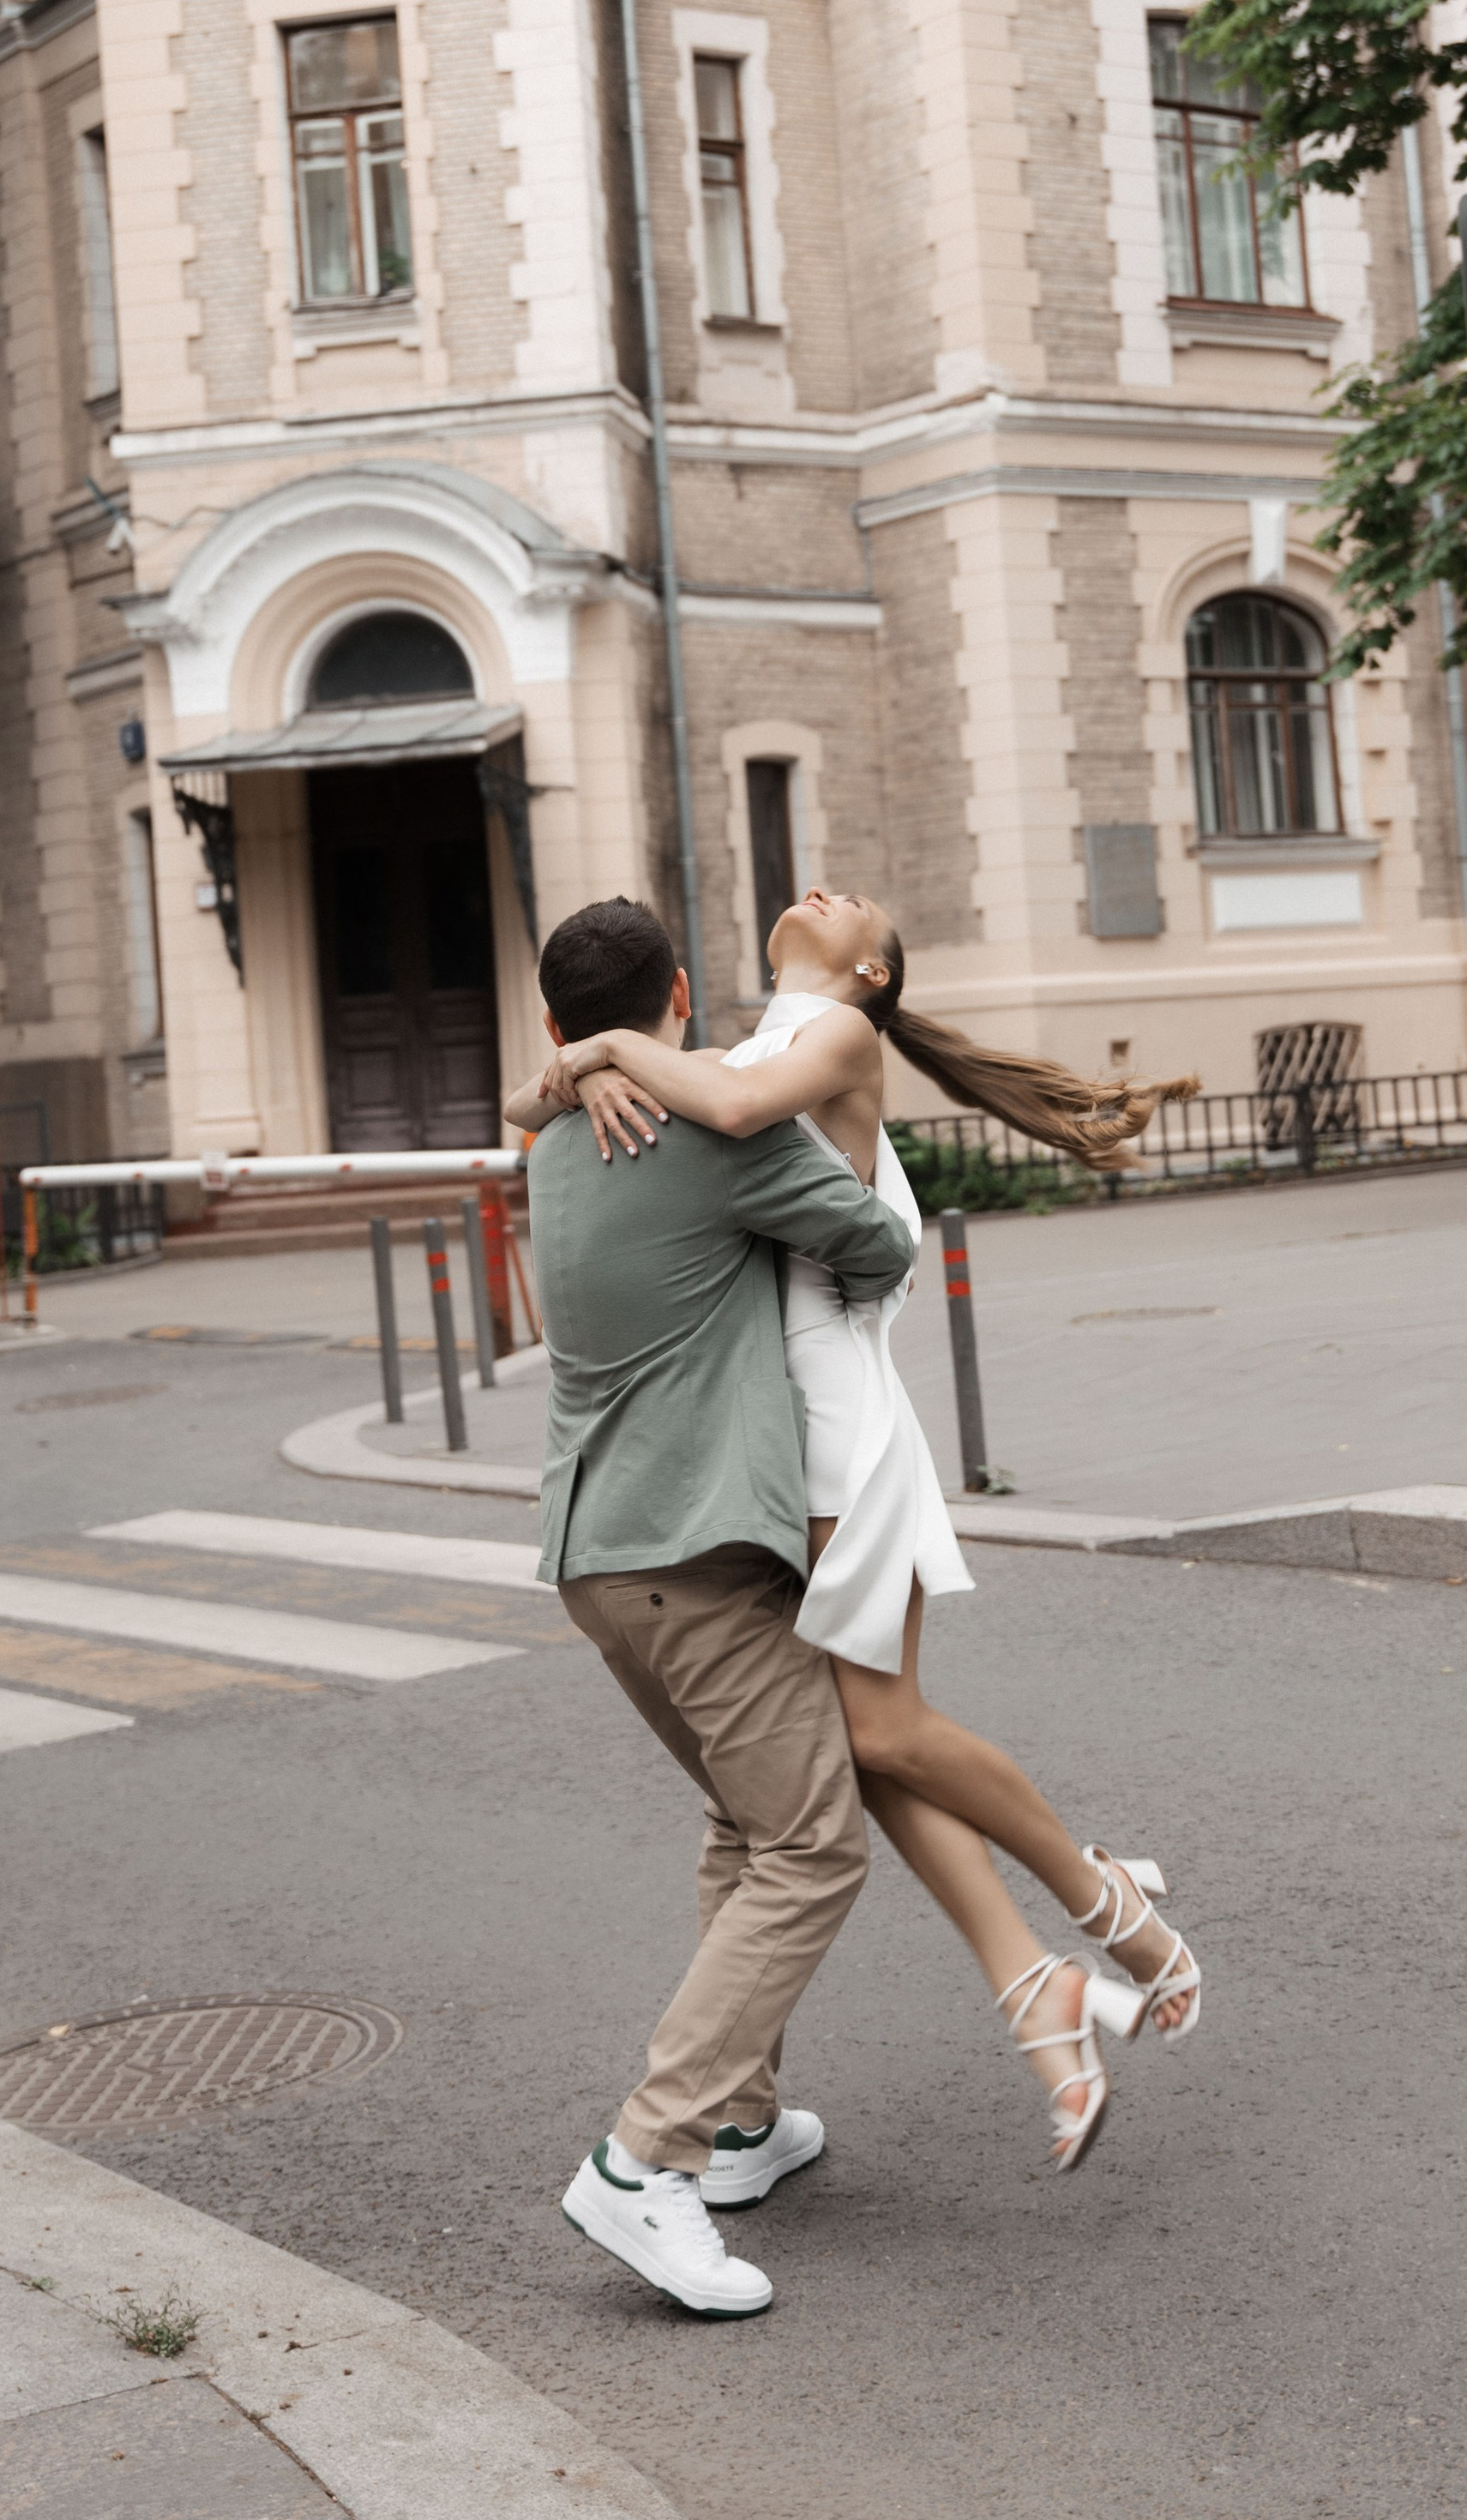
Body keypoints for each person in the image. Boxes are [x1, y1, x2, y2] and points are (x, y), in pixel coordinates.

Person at [510, 885, 1204, 2179]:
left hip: (837, 1423)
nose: (825, 890)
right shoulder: (712, 1057)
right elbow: (574, 1100)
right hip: (785, 1432)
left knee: (877, 1735)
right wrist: (594, 1058)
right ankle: (1027, 1991)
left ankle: (1106, 1907)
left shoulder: (826, 1036)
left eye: (857, 906)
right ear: (678, 993)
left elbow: (725, 1123)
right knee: (852, 1752)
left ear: (873, 970)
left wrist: (598, 1053)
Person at [521, 894, 917, 2319]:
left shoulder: (559, 1135)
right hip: (695, 1555)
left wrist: (582, 1067)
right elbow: (876, 1245)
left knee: (746, 1827)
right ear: (682, 993)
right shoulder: (704, 1135)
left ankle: (738, 2128)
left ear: (555, 1019)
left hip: (595, 1558)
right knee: (812, 1847)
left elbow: (547, 1091)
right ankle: (645, 2159)